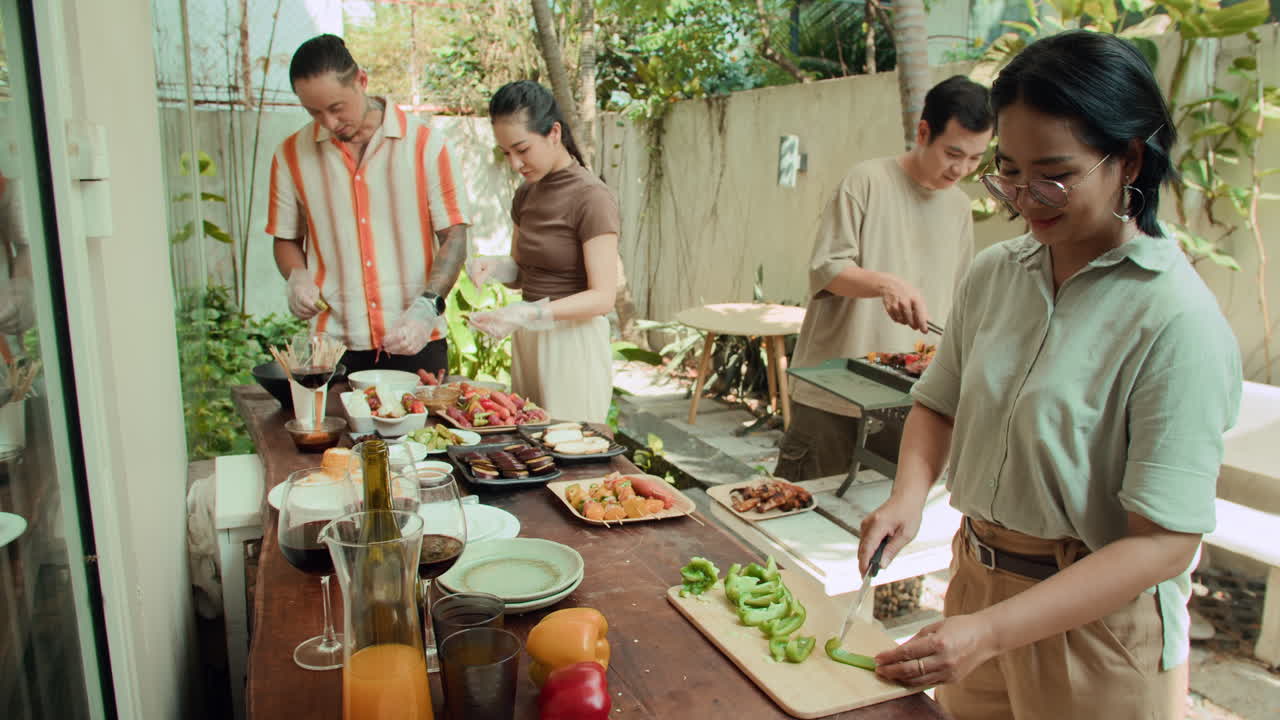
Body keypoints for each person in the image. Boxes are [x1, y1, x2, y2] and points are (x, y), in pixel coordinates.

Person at [858, 31, 1242, 719]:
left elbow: (1163, 542)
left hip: (1096, 632)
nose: (1026, 198)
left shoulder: (1176, 321)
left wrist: (990, 634)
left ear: (1127, 158)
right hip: (974, 587)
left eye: (1055, 174)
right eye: (1008, 171)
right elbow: (938, 405)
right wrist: (908, 497)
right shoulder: (994, 275)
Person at [775, 76, 993, 482]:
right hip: (833, 392)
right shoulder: (866, 181)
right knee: (797, 514)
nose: (961, 169)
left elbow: (960, 297)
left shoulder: (960, 208)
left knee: (884, 526)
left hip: (912, 400)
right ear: (924, 132)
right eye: (953, 153)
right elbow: (827, 269)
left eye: (975, 159)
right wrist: (885, 284)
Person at [266, 34, 468, 374]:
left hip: (418, 340)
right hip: (332, 348)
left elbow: (455, 237)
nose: (329, 123)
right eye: (314, 112)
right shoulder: (290, 155)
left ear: (361, 80)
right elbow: (285, 238)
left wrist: (426, 308)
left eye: (336, 107)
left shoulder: (426, 146)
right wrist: (296, 276)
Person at [467, 81, 619, 424]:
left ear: (553, 133)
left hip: (572, 344)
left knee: (569, 456)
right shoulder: (526, 195)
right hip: (529, 343)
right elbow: (523, 272)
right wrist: (492, 267)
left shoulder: (592, 197)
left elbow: (602, 298)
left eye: (522, 149)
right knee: (529, 450)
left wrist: (527, 314)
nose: (515, 163)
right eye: (506, 153)